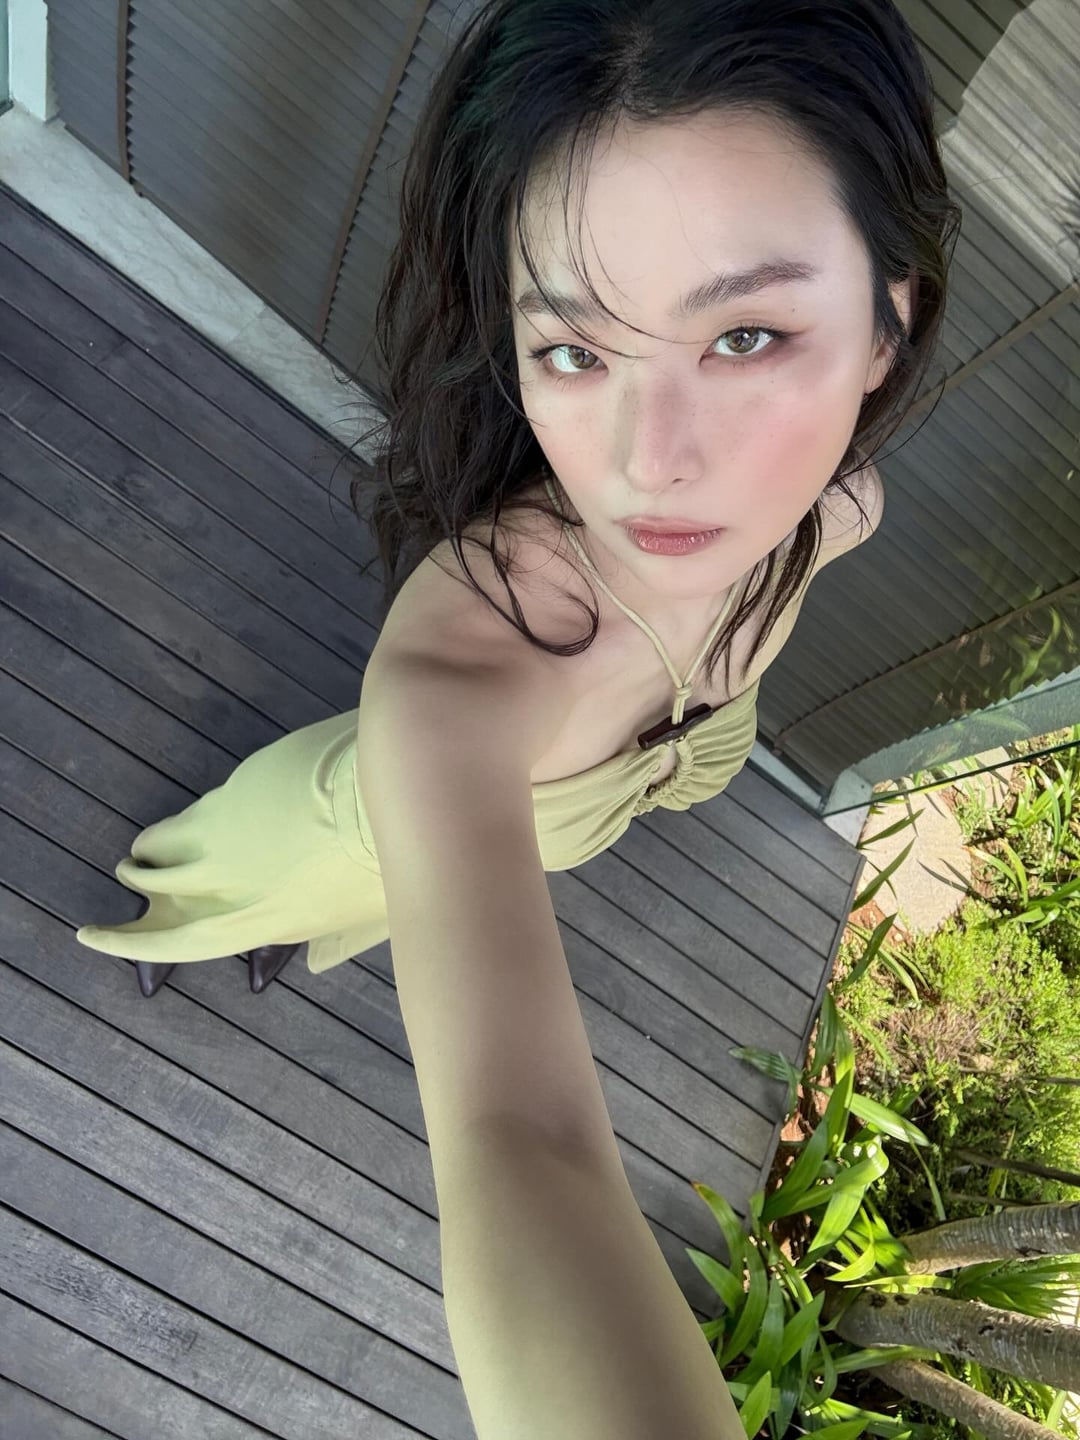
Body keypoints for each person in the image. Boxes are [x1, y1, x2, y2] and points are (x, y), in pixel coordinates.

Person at [75, 0, 959, 1433]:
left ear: (887, 326)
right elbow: (521, 1139)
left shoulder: (838, 505)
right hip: (378, 809)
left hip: (572, 803)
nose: (650, 463)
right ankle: (209, 919)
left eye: (745, 335)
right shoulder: (458, 683)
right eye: (576, 353)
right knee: (257, 887)